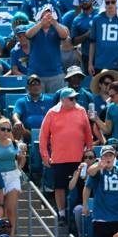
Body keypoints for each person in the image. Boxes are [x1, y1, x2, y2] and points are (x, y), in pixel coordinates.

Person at [39, 88, 93, 221]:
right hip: (59, 159)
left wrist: (89, 151)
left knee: (83, 185)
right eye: (71, 98)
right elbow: (43, 136)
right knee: (60, 187)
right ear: (62, 100)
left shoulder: (81, 111)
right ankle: (62, 213)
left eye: (75, 98)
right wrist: (45, 156)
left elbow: (88, 133)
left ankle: (80, 212)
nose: (74, 100)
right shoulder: (52, 113)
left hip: (79, 158)